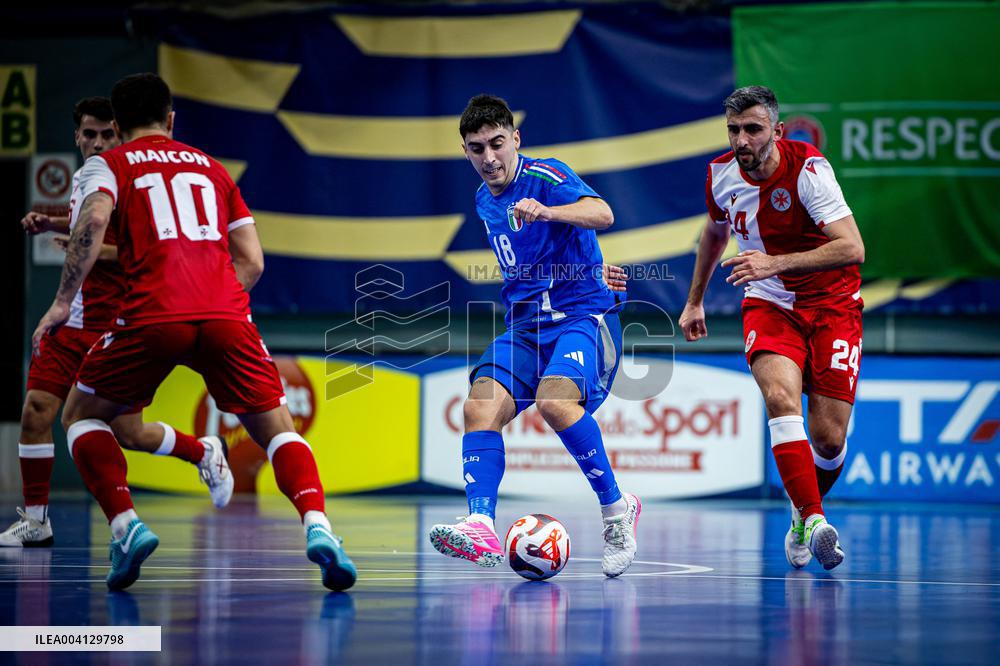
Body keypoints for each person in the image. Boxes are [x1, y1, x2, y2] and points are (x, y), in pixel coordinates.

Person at [31, 73, 356, 591]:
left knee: (80, 416)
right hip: (227, 314)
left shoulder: (108, 164)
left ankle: (126, 527)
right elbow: (253, 261)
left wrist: (61, 302)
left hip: (152, 315)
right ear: (171, 119)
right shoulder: (212, 169)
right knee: (277, 430)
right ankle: (319, 526)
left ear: (117, 125)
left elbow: (91, 224)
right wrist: (215, 302)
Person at [2, 97, 232, 549]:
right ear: (76, 136)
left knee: (129, 432)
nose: (97, 142)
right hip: (71, 323)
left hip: (117, 324)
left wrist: (80, 242)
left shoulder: (130, 178)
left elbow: (140, 249)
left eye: (107, 134)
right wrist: (53, 224)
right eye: (89, 134)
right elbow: (86, 229)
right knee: (36, 411)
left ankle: (203, 451)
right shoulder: (86, 178)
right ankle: (36, 520)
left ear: (121, 133)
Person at [429, 94, 640, 578]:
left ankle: (617, 511)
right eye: (477, 148)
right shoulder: (484, 200)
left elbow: (603, 214)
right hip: (526, 326)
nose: (489, 157)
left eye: (497, 143)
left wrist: (549, 211)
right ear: (465, 151)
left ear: (515, 139)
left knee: (555, 401)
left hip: (582, 317)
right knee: (478, 406)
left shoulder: (545, 176)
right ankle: (481, 524)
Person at [679, 86, 865, 570]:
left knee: (829, 439)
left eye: (753, 129)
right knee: (780, 399)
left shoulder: (808, 170)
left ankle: (801, 511)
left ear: (777, 131)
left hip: (833, 306)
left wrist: (774, 261)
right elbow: (715, 232)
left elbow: (852, 247)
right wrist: (695, 300)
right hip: (769, 303)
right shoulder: (720, 174)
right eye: (733, 130)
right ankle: (816, 520)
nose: (742, 140)